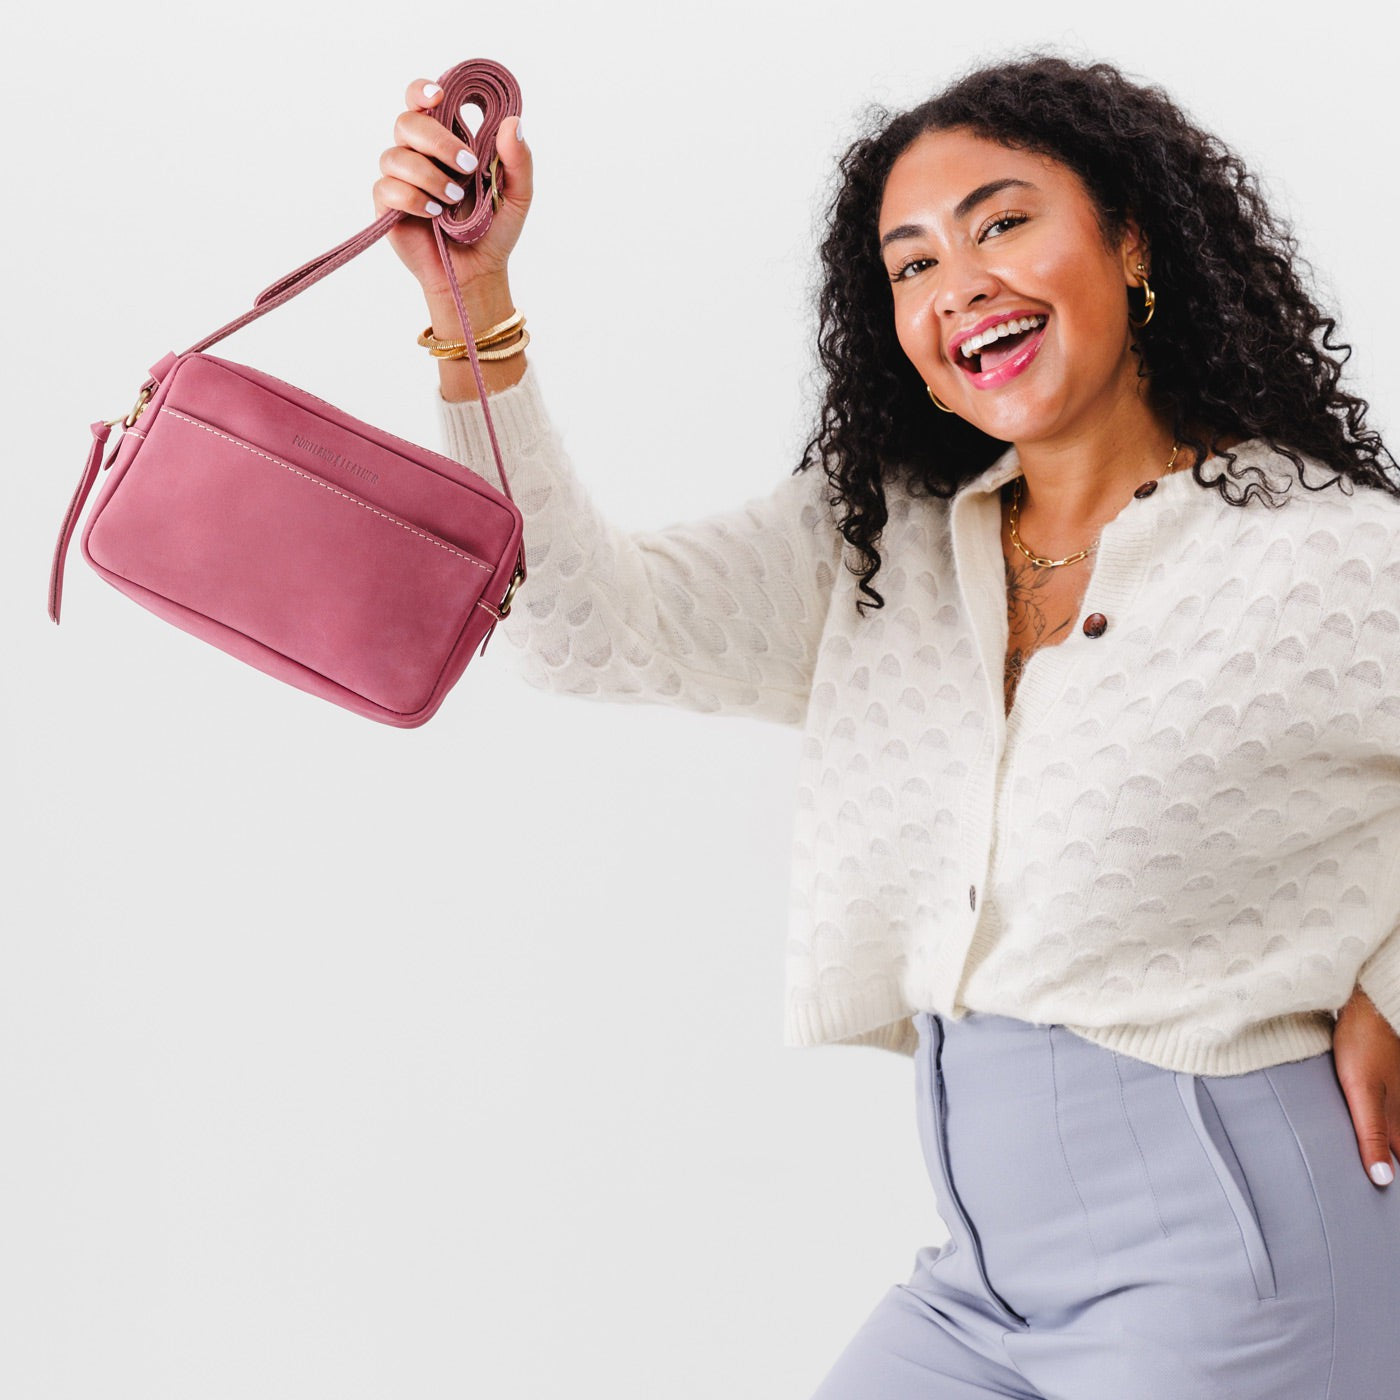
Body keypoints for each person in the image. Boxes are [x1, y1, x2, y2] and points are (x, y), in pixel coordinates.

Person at [374, 51, 1400, 1396]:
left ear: (1132, 241)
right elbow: (580, 628)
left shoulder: (1320, 556)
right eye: (912, 264)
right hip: (983, 1278)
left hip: (1235, 1255)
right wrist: (472, 307)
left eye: (1002, 222)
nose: (958, 282)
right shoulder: (880, 548)